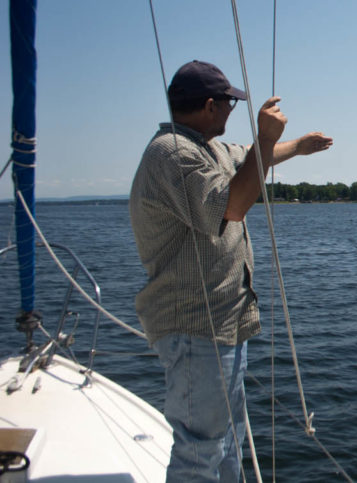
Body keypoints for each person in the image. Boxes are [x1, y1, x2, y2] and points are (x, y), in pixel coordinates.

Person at [129, 60, 333, 482]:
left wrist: (298, 145)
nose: (232, 109)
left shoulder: (209, 148)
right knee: (201, 449)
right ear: (209, 106)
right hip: (195, 328)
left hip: (222, 325)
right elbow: (234, 207)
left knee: (228, 439)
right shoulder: (172, 154)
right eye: (230, 103)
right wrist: (264, 136)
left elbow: (255, 157)